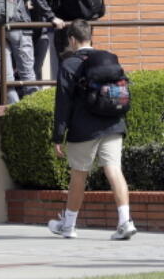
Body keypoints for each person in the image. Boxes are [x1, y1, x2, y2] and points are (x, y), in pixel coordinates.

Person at [48, 20, 136, 241]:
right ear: (90, 36)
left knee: (79, 175)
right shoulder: (107, 60)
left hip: (84, 128)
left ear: (72, 39)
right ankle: (125, 222)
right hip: (113, 123)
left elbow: (63, 103)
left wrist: (58, 135)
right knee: (114, 170)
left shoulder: (68, 65)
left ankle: (68, 225)